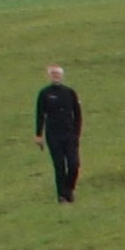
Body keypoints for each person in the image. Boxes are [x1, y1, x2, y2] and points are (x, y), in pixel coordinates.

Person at [34, 66, 82, 204]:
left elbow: (77, 114)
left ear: (62, 76)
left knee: (74, 164)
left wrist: (76, 133)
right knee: (59, 166)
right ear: (49, 76)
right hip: (53, 135)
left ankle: (69, 189)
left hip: (69, 134)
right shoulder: (44, 93)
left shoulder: (70, 92)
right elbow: (40, 114)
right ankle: (62, 196)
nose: (56, 76)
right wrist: (38, 134)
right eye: (53, 74)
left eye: (58, 74)